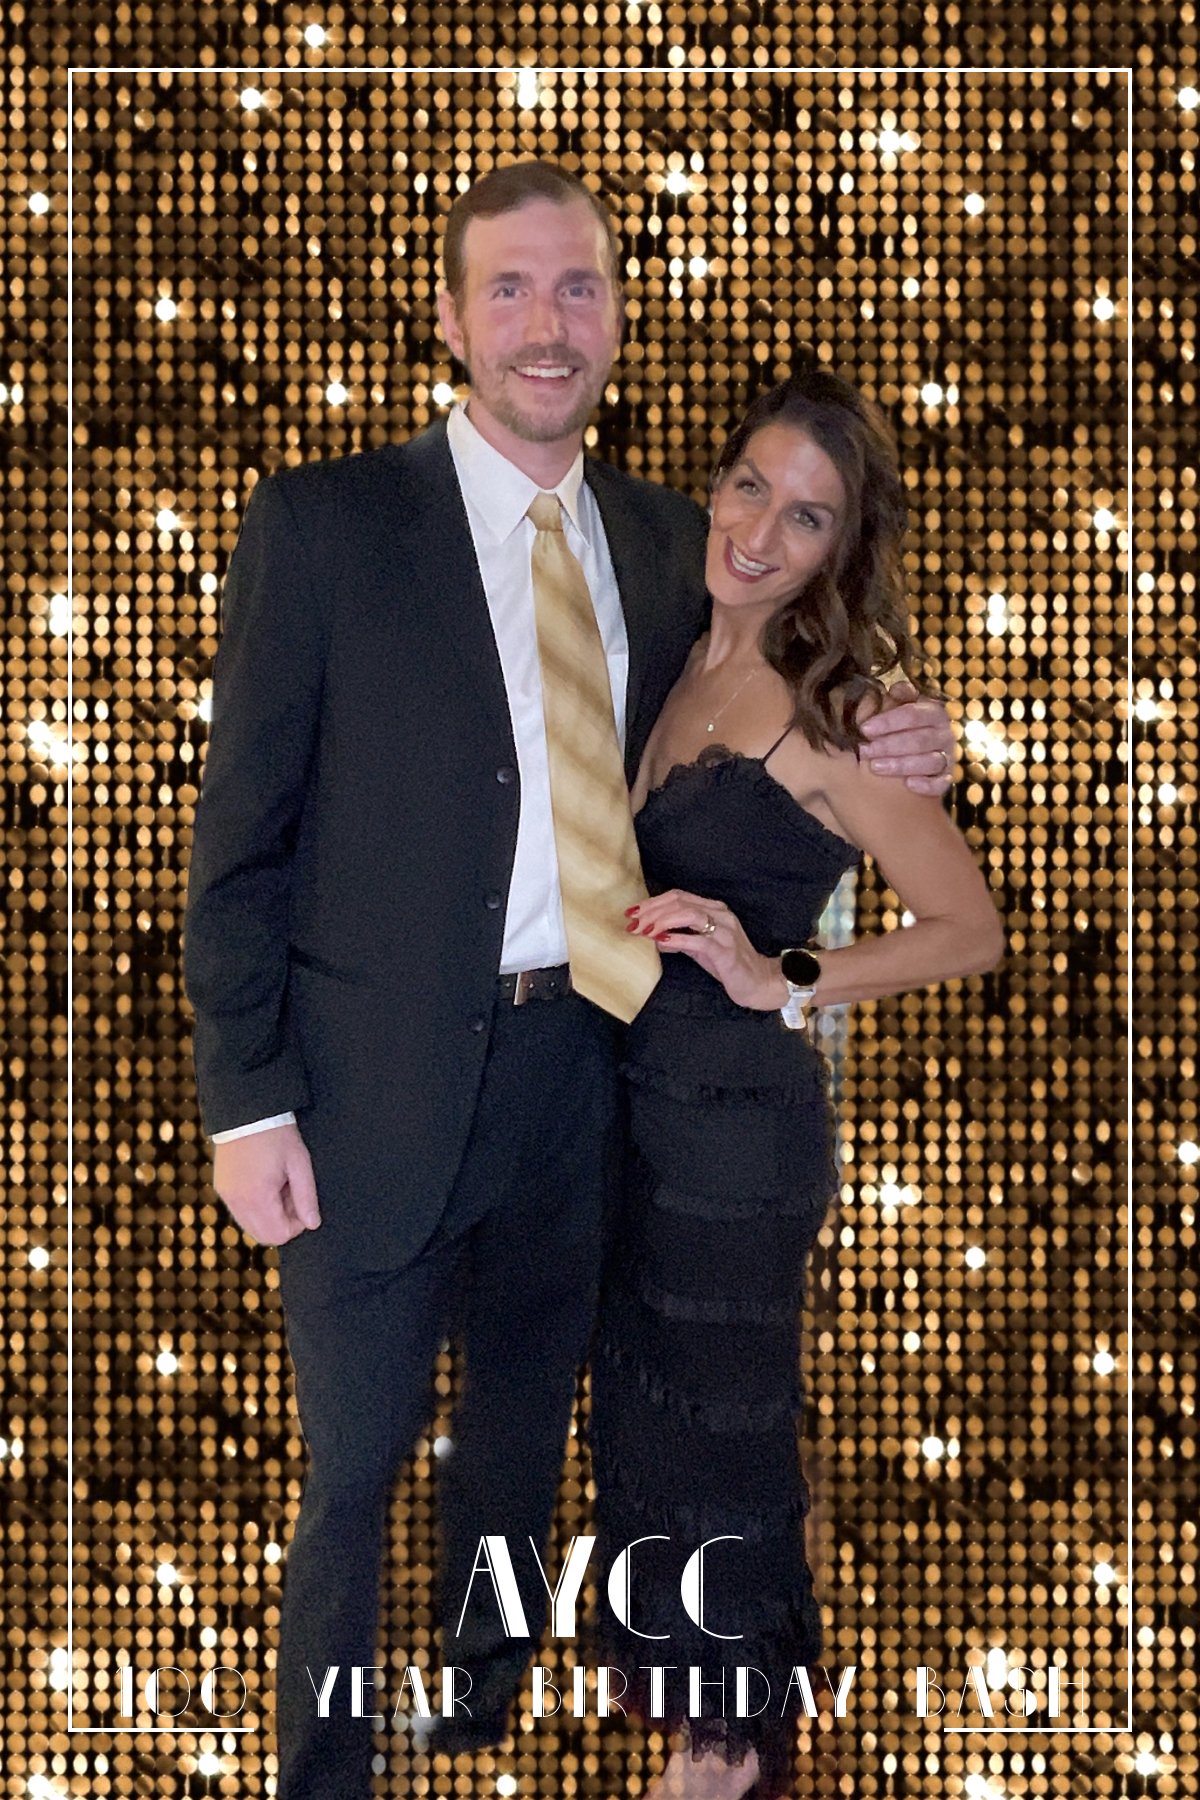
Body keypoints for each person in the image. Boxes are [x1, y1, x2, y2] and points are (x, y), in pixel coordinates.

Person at [181, 161, 956, 1800]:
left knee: (524, 1437)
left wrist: (911, 731)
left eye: (580, 287)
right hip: (368, 1084)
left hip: (593, 1078)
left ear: (614, 318)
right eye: (512, 288)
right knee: (356, 1464)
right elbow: (240, 841)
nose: (549, 323)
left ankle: (480, 1709)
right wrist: (248, 1107)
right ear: (453, 318)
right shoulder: (323, 525)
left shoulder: (679, 542)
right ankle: (323, 1771)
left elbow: (788, 701)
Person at [587, 366, 1005, 1800]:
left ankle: (723, 1757)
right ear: (714, 486)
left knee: (723, 1443)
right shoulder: (670, 648)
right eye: (750, 487)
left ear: (842, 548)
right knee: (649, 1433)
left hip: (737, 1143)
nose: (761, 532)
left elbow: (970, 929)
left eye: (808, 517)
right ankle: (707, 1743)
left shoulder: (842, 710)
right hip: (633, 1119)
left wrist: (790, 976)